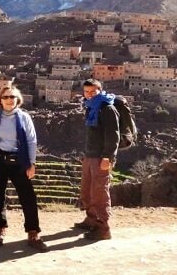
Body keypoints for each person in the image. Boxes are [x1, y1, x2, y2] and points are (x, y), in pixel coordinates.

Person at [0, 85, 49, 252]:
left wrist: (31, 163)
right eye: (5, 97)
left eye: (12, 97)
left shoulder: (24, 117)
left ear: (17, 99)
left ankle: (33, 232)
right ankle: (0, 229)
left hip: (19, 160)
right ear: (0, 100)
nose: (9, 100)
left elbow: (32, 141)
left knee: (28, 196)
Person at [74, 78, 120, 240]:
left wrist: (108, 157)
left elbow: (113, 135)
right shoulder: (91, 107)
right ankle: (91, 219)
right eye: (87, 92)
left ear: (100, 90)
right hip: (90, 155)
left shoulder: (107, 108)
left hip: (101, 157)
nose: (89, 94)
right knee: (87, 189)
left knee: (99, 192)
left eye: (93, 92)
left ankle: (103, 228)